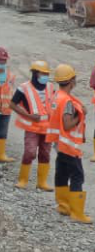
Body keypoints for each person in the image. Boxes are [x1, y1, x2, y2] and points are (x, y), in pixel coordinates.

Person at [49, 64, 91, 223]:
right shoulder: (66, 101)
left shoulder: (57, 96)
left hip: (59, 144)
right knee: (77, 175)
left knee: (61, 173)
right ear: (71, 81)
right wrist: (81, 116)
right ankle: (77, 212)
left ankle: (63, 205)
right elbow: (67, 124)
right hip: (69, 145)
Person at [11, 60, 56, 191]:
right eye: (43, 73)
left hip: (47, 128)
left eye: (47, 74)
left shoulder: (50, 87)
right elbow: (12, 104)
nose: (45, 76)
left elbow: (54, 104)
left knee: (45, 154)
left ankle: (42, 182)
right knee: (29, 152)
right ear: (35, 74)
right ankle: (23, 180)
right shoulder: (23, 88)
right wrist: (29, 116)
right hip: (32, 127)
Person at [0, 47, 14, 163]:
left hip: (5, 110)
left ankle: (1, 154)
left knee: (3, 133)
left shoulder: (10, 76)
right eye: (0, 60)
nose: (2, 62)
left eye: (4, 60)